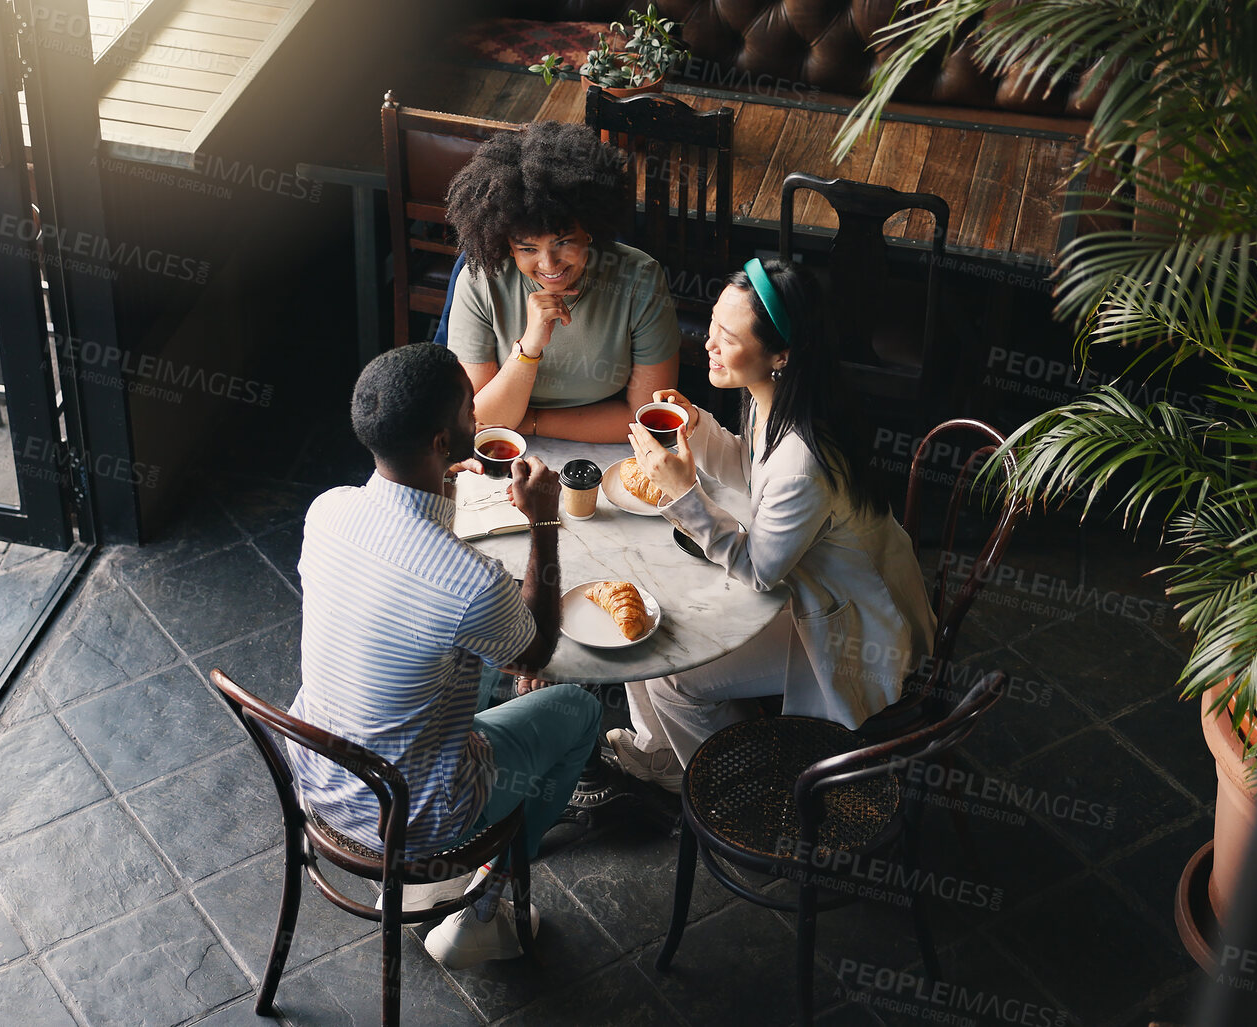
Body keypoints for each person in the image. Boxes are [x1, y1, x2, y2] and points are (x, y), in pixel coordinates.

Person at [289, 344, 601, 967]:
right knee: (578, 710)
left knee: (468, 656)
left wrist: (439, 486)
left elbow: (409, 592)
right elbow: (537, 651)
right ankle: (489, 910)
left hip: (319, 774)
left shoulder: (326, 511)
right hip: (417, 819)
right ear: (441, 440)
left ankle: (420, 886)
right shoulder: (473, 585)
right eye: (469, 405)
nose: (479, 412)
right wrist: (543, 522)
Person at [607, 259, 937, 790]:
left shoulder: (804, 458)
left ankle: (747, 786)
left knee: (675, 676)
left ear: (780, 354)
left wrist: (683, 495)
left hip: (851, 628)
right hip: (824, 591)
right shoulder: (782, 399)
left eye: (727, 337)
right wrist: (697, 424)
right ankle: (662, 751)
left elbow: (760, 570)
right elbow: (750, 467)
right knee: (651, 634)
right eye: (712, 324)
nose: (708, 344)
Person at [445, 121, 681, 442]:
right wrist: (529, 348)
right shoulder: (481, 281)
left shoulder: (639, 278)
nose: (549, 265)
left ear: (590, 229)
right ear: (507, 246)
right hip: (501, 447)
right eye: (528, 249)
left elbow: (648, 420)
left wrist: (528, 422)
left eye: (564, 242)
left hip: (608, 448)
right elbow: (477, 420)